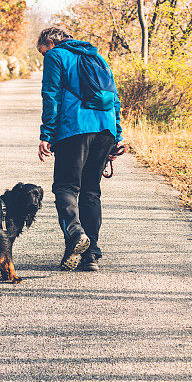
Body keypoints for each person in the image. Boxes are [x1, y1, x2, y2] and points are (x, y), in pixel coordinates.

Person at [37, 26, 123, 271]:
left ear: (50, 44)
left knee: (65, 186)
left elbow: (51, 96)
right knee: (90, 191)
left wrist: (47, 134)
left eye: (43, 52)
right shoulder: (96, 56)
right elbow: (114, 97)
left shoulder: (56, 56)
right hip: (104, 130)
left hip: (74, 128)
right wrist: (117, 135)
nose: (44, 57)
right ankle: (91, 254)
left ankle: (76, 234)